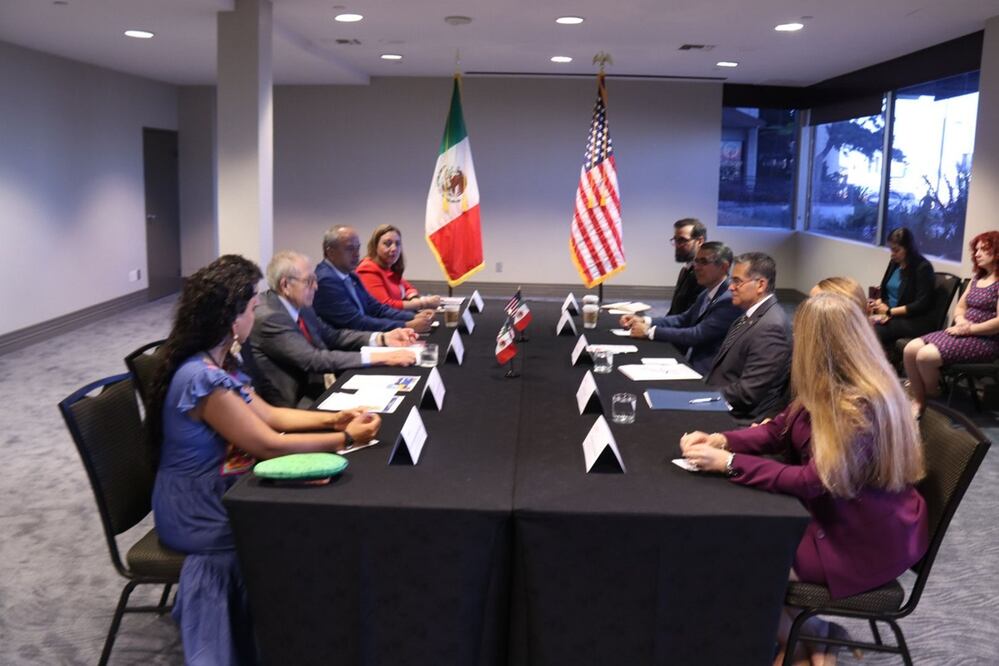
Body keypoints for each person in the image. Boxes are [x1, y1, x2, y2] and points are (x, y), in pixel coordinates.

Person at [148, 255, 382, 664]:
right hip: (197, 509)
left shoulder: (218, 361)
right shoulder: (202, 378)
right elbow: (268, 444)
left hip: (217, 486)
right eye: (253, 307)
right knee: (285, 525)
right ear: (231, 317)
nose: (257, 313)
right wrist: (343, 438)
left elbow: (270, 415)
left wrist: (333, 417)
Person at [682, 293, 927, 666]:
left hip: (861, 539)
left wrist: (730, 462)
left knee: (735, 555)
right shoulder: (835, 384)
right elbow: (779, 430)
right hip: (851, 517)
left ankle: (801, 640)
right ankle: (814, 636)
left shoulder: (857, 405)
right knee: (736, 542)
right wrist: (723, 439)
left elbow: (813, 481)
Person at [248, 251, 419, 408]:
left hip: (315, 387)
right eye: (309, 281)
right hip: (292, 405)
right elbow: (314, 359)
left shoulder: (301, 304)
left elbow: (332, 336)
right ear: (285, 285)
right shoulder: (270, 317)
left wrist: (383, 338)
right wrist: (383, 357)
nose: (316, 286)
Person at [904, 230, 999, 417]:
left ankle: (933, 395)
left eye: (984, 249)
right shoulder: (977, 279)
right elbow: (960, 308)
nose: (977, 254)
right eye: (976, 249)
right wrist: (962, 321)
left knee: (924, 356)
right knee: (910, 349)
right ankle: (919, 398)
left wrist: (969, 328)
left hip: (985, 341)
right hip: (962, 331)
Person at [620, 241, 740, 374]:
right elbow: (684, 319)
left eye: (703, 262)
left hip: (708, 371)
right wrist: (645, 320)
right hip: (690, 358)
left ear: (723, 267)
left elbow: (697, 335)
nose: (696, 267)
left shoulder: (729, 299)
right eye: (696, 261)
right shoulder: (707, 292)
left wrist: (649, 332)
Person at [705, 252, 792, 420]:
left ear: (760, 285)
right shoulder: (752, 315)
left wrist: (698, 397)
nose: (731, 287)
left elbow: (748, 393)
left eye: (737, 281)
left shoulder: (770, 326)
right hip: (722, 398)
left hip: (738, 417)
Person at [314, 225, 436, 333]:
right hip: (348, 344)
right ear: (330, 252)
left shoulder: (350, 275)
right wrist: (405, 325)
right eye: (350, 248)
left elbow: (377, 309)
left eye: (357, 248)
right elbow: (356, 322)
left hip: (365, 334)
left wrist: (412, 317)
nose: (357, 254)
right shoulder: (326, 280)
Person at [869, 227, 937, 348]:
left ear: (908, 249)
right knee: (858, 321)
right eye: (891, 249)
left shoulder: (923, 267)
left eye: (896, 250)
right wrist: (877, 304)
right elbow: (886, 291)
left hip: (913, 320)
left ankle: (876, 364)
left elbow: (921, 304)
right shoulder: (894, 263)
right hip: (891, 313)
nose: (892, 254)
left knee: (872, 331)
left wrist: (889, 312)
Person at [357, 224, 442, 311]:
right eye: (388, 243)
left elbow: (408, 288)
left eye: (397, 244)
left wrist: (414, 299)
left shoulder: (388, 268)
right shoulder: (367, 269)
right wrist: (423, 303)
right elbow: (385, 306)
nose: (394, 248)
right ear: (375, 246)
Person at [666, 218, 708, 315]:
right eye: (676, 240)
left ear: (700, 241)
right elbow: (674, 311)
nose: (677, 245)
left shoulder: (705, 274)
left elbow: (688, 319)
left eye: (682, 240)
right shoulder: (685, 270)